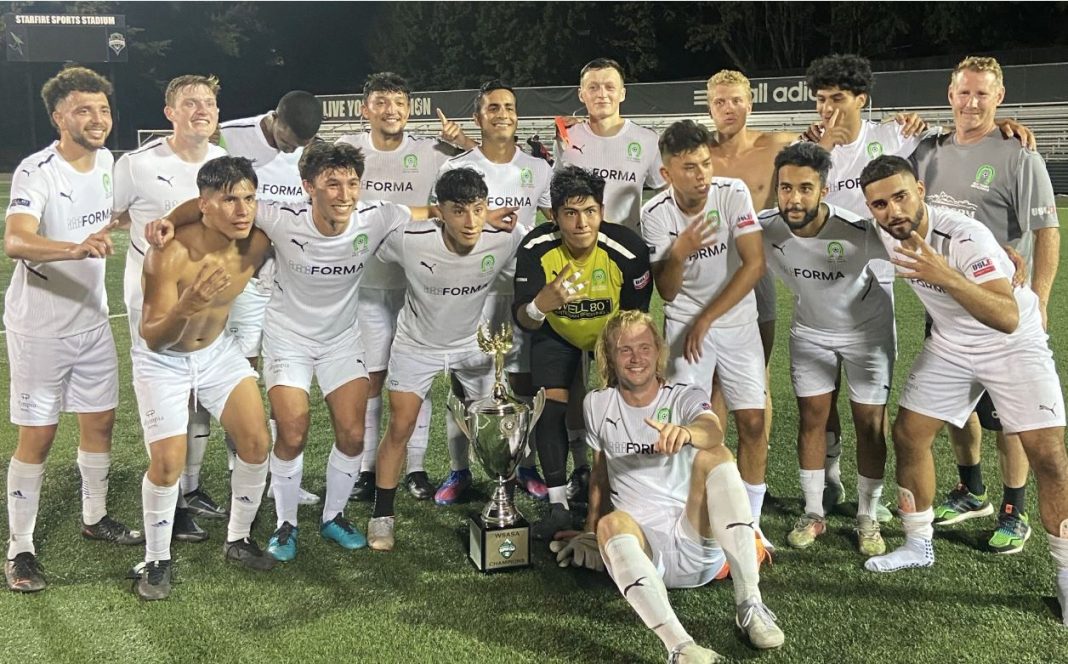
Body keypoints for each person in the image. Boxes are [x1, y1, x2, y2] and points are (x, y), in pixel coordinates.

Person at [858, 156, 1068, 628]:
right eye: (880, 203)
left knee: (1050, 456)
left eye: (901, 196)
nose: (893, 210)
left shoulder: (964, 235)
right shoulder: (881, 234)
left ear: (920, 188)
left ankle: (1067, 580)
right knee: (910, 434)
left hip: (1012, 343)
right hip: (952, 344)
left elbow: (1005, 315)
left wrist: (943, 272)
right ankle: (917, 544)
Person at [552, 310, 783, 662]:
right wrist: (589, 531)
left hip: (696, 542)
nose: (635, 358)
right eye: (624, 349)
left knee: (715, 454)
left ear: (658, 352)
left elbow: (713, 430)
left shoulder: (682, 396)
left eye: (644, 347)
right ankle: (682, 649)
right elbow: (600, 471)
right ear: (610, 357)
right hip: (643, 554)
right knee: (609, 523)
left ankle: (751, 605)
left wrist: (688, 433)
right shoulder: (596, 404)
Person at [911, 56, 1060, 555]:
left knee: (1010, 418)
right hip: (948, 306)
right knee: (959, 409)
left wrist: (1038, 298)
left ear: (999, 97)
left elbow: (1046, 231)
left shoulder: (1019, 155)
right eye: (963, 93)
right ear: (949, 94)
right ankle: (972, 489)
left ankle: (1014, 508)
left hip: (998, 306)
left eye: (982, 94)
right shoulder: (927, 150)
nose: (971, 103)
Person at [3, 65, 142, 593]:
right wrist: (74, 248)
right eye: (84, 109)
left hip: (91, 320)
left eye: (103, 108)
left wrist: (133, 221)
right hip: (40, 327)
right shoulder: (36, 171)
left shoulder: (109, 162)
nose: (97, 118)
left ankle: (94, 516)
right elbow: (16, 240)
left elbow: (113, 214)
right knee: (37, 437)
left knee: (100, 423)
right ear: (60, 116)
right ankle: (19, 547)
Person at [133, 156, 276, 599]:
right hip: (164, 361)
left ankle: (237, 538)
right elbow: (154, 337)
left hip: (217, 353)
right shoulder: (170, 253)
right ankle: (156, 560)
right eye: (229, 200)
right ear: (204, 205)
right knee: (167, 465)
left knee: (256, 444)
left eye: (249, 198)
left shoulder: (257, 244)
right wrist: (186, 306)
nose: (242, 209)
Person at [366, 167, 525, 552]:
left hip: (472, 345)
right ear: (440, 211)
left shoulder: (505, 239)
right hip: (416, 345)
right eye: (458, 211)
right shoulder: (408, 240)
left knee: (496, 430)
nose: (470, 221)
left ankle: (504, 504)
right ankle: (382, 516)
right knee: (400, 427)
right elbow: (368, 223)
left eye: (478, 209)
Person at [336, 72, 470, 503]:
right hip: (369, 286)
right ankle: (367, 469)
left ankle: (415, 469)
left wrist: (465, 146)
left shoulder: (433, 151)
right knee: (373, 378)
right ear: (365, 109)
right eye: (381, 102)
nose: (391, 110)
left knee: (417, 379)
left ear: (409, 109)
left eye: (399, 102)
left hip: (420, 287)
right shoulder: (348, 153)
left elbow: (480, 179)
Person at [641, 120, 773, 548]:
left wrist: (707, 318)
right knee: (685, 425)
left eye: (704, 163)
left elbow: (754, 264)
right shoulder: (655, 214)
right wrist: (678, 253)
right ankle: (687, 514)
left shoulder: (732, 194)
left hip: (734, 322)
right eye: (689, 168)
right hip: (682, 327)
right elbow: (666, 290)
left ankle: (751, 524)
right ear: (666, 174)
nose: (702, 175)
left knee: (751, 420)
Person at [758, 143, 894, 555]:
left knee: (869, 424)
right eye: (785, 188)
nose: (793, 199)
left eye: (804, 188)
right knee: (811, 419)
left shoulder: (857, 230)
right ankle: (814, 511)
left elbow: (919, 246)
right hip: (810, 333)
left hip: (867, 335)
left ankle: (867, 515)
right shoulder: (766, 227)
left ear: (824, 189)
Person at [113, 74, 229, 543]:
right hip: (157, 307)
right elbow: (112, 215)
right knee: (169, 405)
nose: (201, 109)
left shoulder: (223, 162)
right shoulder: (138, 165)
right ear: (170, 113)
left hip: (210, 301)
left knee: (201, 397)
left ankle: (191, 487)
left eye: (208, 103)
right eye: (190, 103)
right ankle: (173, 502)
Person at [513, 166, 652, 538]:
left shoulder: (628, 249)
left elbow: (637, 322)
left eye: (589, 211)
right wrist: (541, 305)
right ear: (554, 216)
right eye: (570, 213)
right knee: (549, 407)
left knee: (623, 405)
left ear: (602, 212)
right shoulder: (535, 248)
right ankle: (558, 503)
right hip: (555, 332)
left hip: (612, 335)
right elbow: (524, 320)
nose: (581, 222)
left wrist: (619, 364)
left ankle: (620, 494)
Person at [554, 57, 667, 503]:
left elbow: (660, 196)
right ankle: (584, 467)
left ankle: (629, 457)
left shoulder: (645, 140)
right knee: (577, 371)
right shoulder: (569, 137)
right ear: (581, 95)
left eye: (609, 87)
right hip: (578, 266)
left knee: (628, 362)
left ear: (623, 93)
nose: (601, 94)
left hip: (627, 270)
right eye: (593, 88)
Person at [435, 80, 553, 506]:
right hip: (471, 289)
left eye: (509, 106)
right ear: (478, 117)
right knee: (466, 382)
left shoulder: (538, 169)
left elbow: (553, 221)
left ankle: (523, 466)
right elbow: (442, 225)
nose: (503, 113)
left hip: (521, 291)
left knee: (520, 383)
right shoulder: (456, 168)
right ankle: (459, 470)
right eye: (493, 107)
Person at [218, 90, 323, 505]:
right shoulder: (229, 136)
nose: (291, 148)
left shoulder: (304, 152)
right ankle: (243, 470)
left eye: (300, 145)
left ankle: (282, 479)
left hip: (288, 282)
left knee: (283, 376)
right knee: (243, 373)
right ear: (274, 116)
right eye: (287, 139)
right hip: (242, 278)